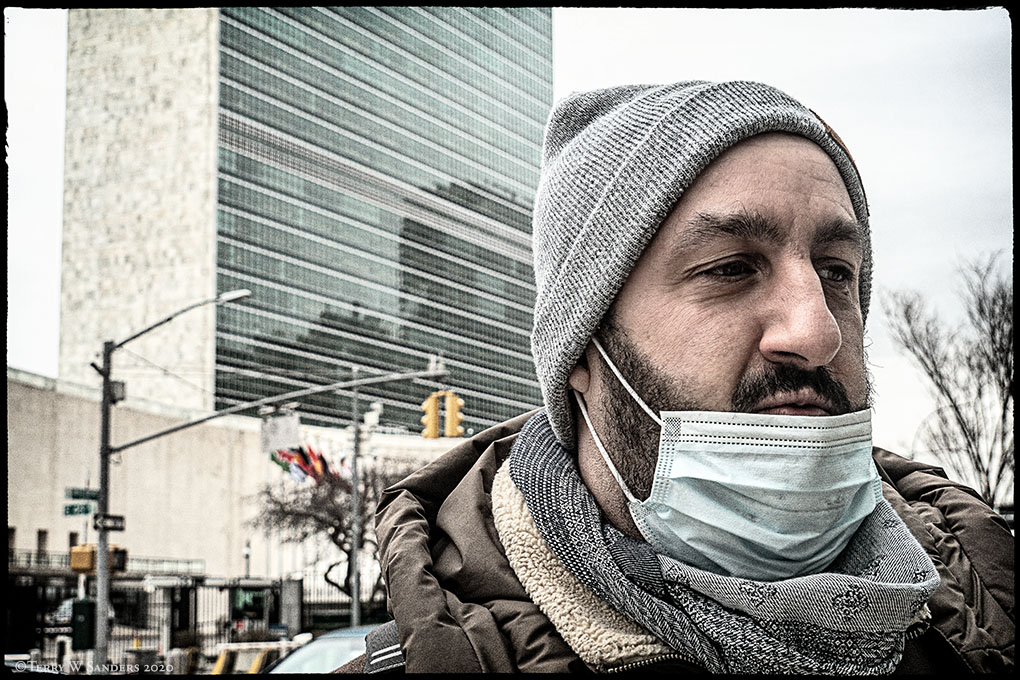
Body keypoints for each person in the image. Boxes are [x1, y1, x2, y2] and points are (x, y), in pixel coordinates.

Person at [337, 80, 1014, 674]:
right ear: (582, 346)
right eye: (729, 268)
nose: (817, 331)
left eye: (836, 271)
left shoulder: (995, 611)